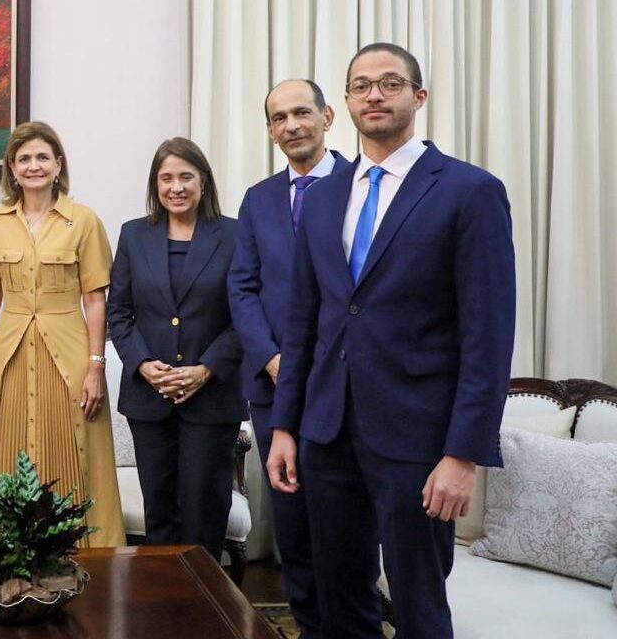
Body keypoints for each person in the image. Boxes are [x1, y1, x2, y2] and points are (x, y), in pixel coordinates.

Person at [267, 43, 515, 638]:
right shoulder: (324, 194)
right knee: (339, 598)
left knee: (419, 604)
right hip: (326, 434)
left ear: (418, 97)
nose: (374, 95)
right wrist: (284, 426)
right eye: (361, 86)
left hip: (418, 440)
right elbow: (304, 324)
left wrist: (463, 454)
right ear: (345, 104)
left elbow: (488, 336)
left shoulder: (469, 191)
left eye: (390, 83)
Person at [227, 79, 350, 637]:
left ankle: (351, 622)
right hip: (274, 382)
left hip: (345, 383)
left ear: (327, 116)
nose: (292, 125)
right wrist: (273, 357)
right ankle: (309, 624)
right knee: (292, 516)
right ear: (271, 130)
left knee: (346, 515)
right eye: (279, 118)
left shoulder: (362, 187)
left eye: (302, 113)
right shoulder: (259, 199)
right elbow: (243, 288)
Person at [0, 121, 125, 547]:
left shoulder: (84, 221)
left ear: (58, 165)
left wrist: (95, 366)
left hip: (70, 351)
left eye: (41, 157)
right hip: (8, 352)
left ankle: (82, 554)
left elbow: (95, 299)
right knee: (5, 449)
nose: (33, 166)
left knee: (76, 450)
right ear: (12, 170)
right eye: (24, 159)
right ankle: (2, 556)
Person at [107, 137, 245, 561]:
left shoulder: (235, 234)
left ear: (203, 180)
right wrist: (145, 365)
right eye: (166, 178)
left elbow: (246, 315)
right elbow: (120, 312)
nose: (176, 187)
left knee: (205, 510)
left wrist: (205, 370)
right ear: (155, 185)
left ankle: (205, 609)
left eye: (186, 176)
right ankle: (162, 607)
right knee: (160, 512)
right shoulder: (134, 234)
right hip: (150, 398)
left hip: (212, 396)